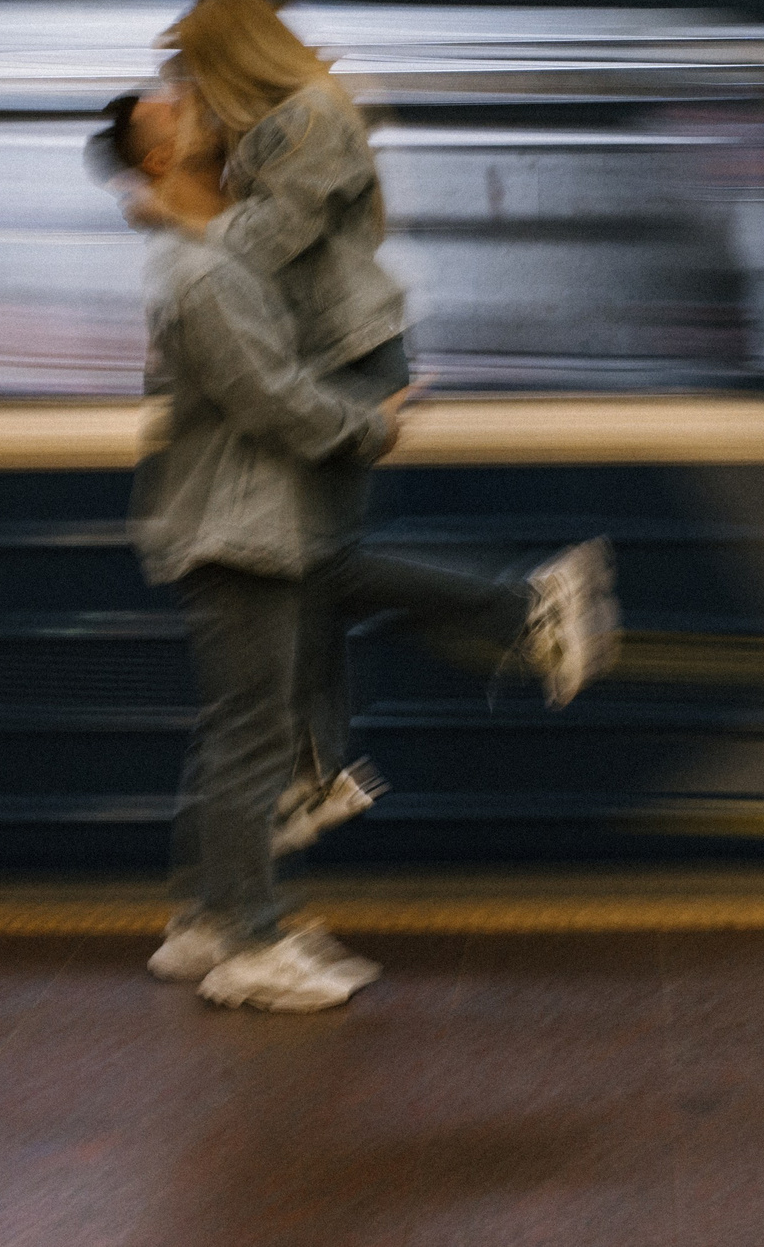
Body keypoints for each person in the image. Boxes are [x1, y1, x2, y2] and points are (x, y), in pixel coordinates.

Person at [88, 83, 614, 1012]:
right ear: (157, 157)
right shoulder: (202, 273)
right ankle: (247, 943)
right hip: (240, 527)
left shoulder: (212, 251)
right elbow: (271, 398)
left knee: (239, 725)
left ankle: (209, 919)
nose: (198, 106)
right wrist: (371, 424)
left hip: (251, 519)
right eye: (176, 109)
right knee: (253, 737)